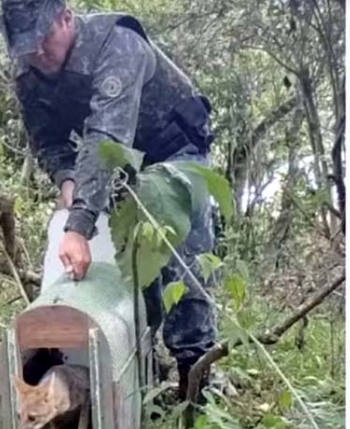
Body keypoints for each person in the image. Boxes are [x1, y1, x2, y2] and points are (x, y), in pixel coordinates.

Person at [1, 0, 218, 403]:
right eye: (26, 48)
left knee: (184, 260)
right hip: (124, 168)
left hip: (175, 151)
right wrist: (67, 180)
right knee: (133, 270)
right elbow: (48, 142)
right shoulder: (29, 72)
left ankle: (197, 385)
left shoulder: (118, 42)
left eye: (43, 41)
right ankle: (143, 381)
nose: (38, 55)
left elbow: (105, 138)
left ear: (66, 17)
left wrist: (78, 226)